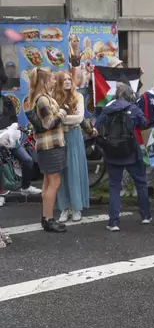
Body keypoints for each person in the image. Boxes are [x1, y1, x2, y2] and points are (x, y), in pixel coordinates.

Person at [95, 84, 151, 231]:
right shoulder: (133, 108)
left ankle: (113, 222)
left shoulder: (107, 108)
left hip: (112, 152)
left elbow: (97, 126)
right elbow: (144, 123)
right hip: (131, 151)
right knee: (141, 183)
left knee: (114, 187)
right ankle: (146, 216)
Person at [24, 68, 67, 233]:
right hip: (51, 146)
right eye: (52, 79)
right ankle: (49, 220)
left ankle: (46, 217)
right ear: (44, 81)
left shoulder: (41, 98)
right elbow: (49, 123)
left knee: (48, 183)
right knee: (54, 183)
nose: (55, 81)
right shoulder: (42, 100)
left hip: (48, 146)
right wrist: (62, 112)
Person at [53, 70, 95, 223]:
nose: (68, 82)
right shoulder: (53, 97)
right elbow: (52, 118)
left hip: (74, 136)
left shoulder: (78, 96)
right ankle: (64, 208)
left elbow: (79, 118)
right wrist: (60, 119)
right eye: (64, 80)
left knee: (74, 171)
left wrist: (60, 118)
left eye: (69, 79)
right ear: (58, 82)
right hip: (58, 137)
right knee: (61, 172)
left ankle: (77, 207)